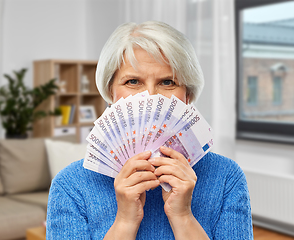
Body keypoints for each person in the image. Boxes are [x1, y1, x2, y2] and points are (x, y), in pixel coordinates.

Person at [46, 21, 253, 239]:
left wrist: (183, 217)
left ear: (187, 96)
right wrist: (125, 221)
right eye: (133, 81)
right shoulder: (70, 185)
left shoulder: (227, 177)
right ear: (110, 94)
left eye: (167, 82)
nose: (151, 96)